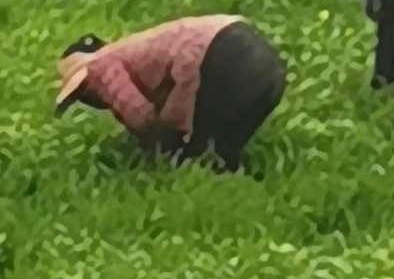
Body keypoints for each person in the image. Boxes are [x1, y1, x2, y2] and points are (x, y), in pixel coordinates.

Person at [54, 15, 287, 172]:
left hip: (216, 55)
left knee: (192, 152)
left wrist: (156, 149)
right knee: (220, 147)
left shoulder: (100, 66)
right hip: (261, 58)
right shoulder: (136, 49)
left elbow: (139, 114)